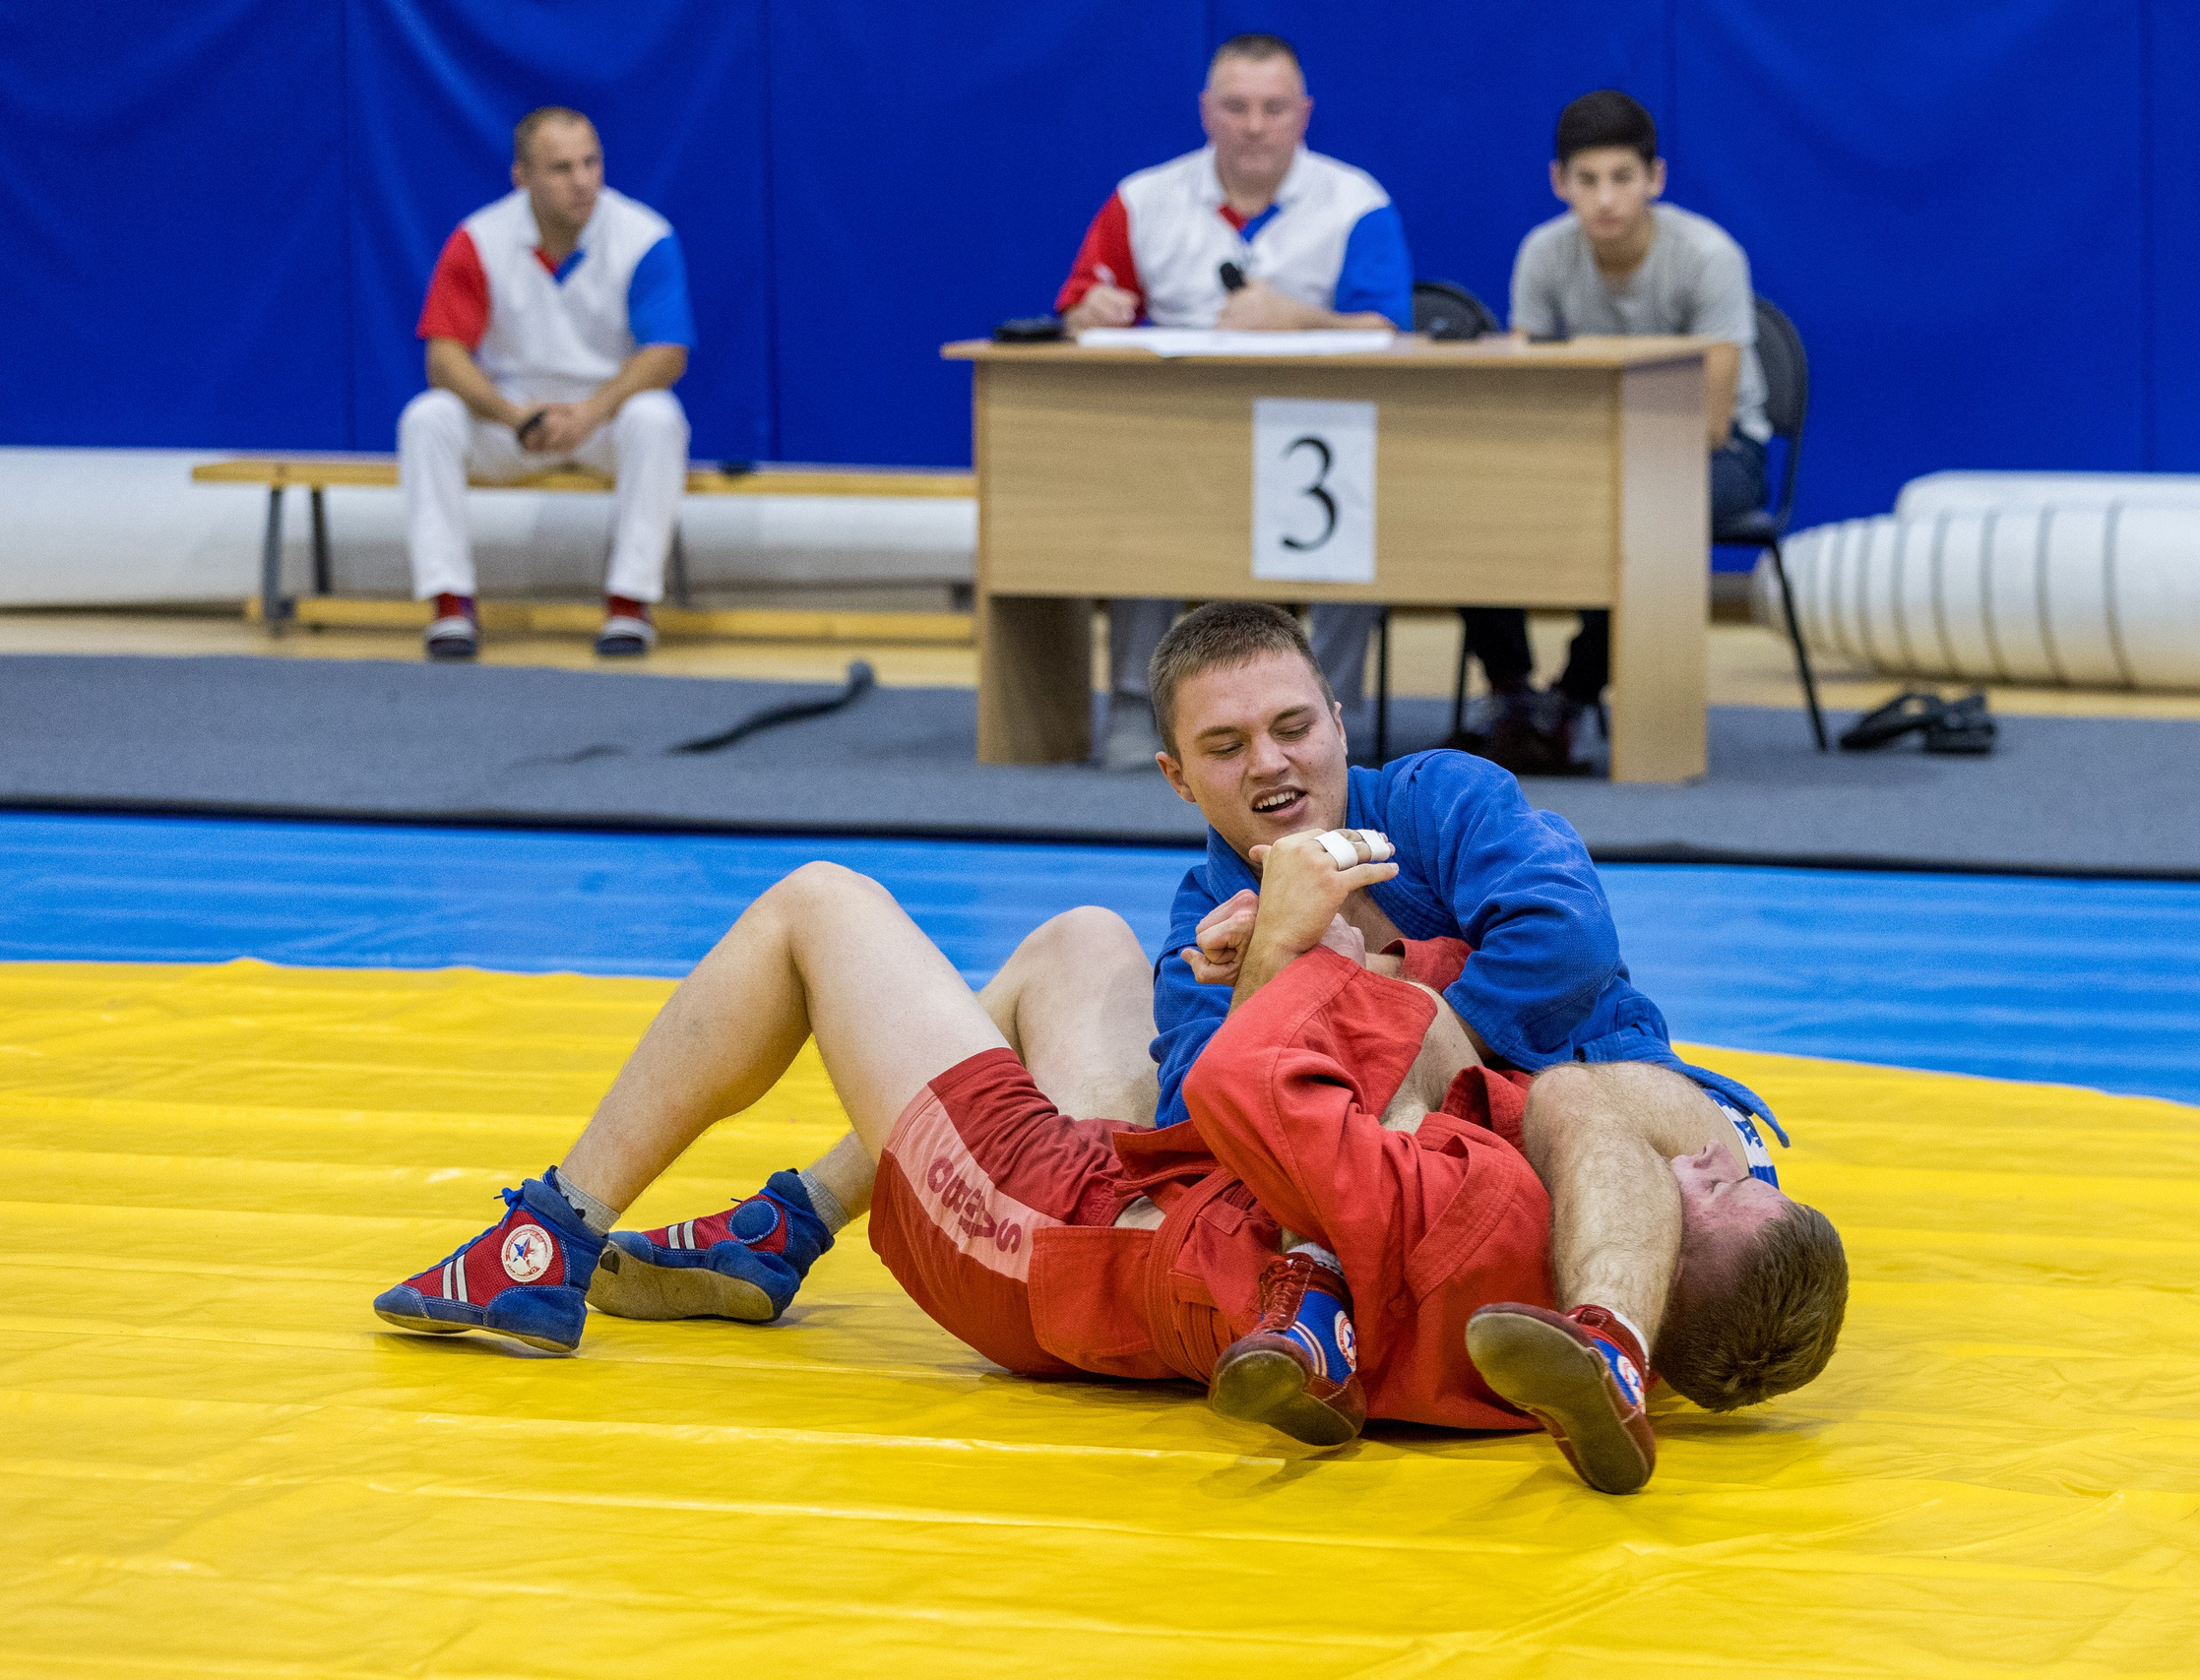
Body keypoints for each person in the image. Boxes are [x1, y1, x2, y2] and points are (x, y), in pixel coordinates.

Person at [370, 841, 1843, 1493]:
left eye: (1715, 1183)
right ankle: (784, 1225)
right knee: (1078, 938)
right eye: (1231, 743)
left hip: (1048, 1227)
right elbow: (1621, 1112)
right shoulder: (1519, 1275)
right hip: (1139, 1190)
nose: (1707, 1155)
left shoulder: (1499, 1195)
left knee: (821, 905)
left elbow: (1254, 1080)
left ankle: (544, 1240)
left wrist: (1312, 949)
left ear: (1653, 1238)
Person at [1145, 602, 1844, 1478]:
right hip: (1456, 1173)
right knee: (1334, 1079)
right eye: (1226, 746)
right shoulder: (1203, 928)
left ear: (1336, 715)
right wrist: (1272, 976)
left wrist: (1384, 1003)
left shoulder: (1436, 798)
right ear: (1177, 776)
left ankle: (1343, 1296)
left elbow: (1568, 933)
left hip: (1594, 1096)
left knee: (1445, 1059)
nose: (1272, 762)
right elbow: (1202, 1130)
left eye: (1293, 726)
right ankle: (1590, 1341)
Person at [1053, 33, 1411, 770]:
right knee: (1129, 498)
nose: (1254, 124)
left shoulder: (1356, 201)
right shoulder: (1142, 199)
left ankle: (1329, 716)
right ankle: (1135, 708)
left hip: (1316, 440)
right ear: (1205, 112)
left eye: (1273, 107)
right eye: (1236, 106)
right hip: (1177, 436)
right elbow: (1081, 304)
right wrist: (1089, 314)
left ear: (1303, 114)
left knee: (1364, 514)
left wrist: (1300, 316)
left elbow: (1387, 326)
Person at [1459, 90, 1771, 773]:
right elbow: (1528, 397)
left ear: (1654, 179)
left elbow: (1715, 423)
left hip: (1719, 452)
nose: (1605, 199)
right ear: (1559, 182)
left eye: (1623, 179)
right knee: (1470, 498)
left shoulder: (1708, 256)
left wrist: (1605, 471)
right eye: (1588, 180)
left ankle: (1569, 698)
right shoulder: (1543, 253)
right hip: (1590, 449)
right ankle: (1513, 694)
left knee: (1645, 513)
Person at [400, 106, 695, 661]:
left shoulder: (645, 236)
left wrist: (590, 412)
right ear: (522, 177)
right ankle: (450, 604)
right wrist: (515, 416)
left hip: (605, 420)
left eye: (591, 162)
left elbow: (667, 354)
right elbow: (444, 358)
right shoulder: (478, 238)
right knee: (427, 418)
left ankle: (629, 605)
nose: (582, 181)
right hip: (513, 422)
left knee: (657, 418)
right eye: (561, 168)